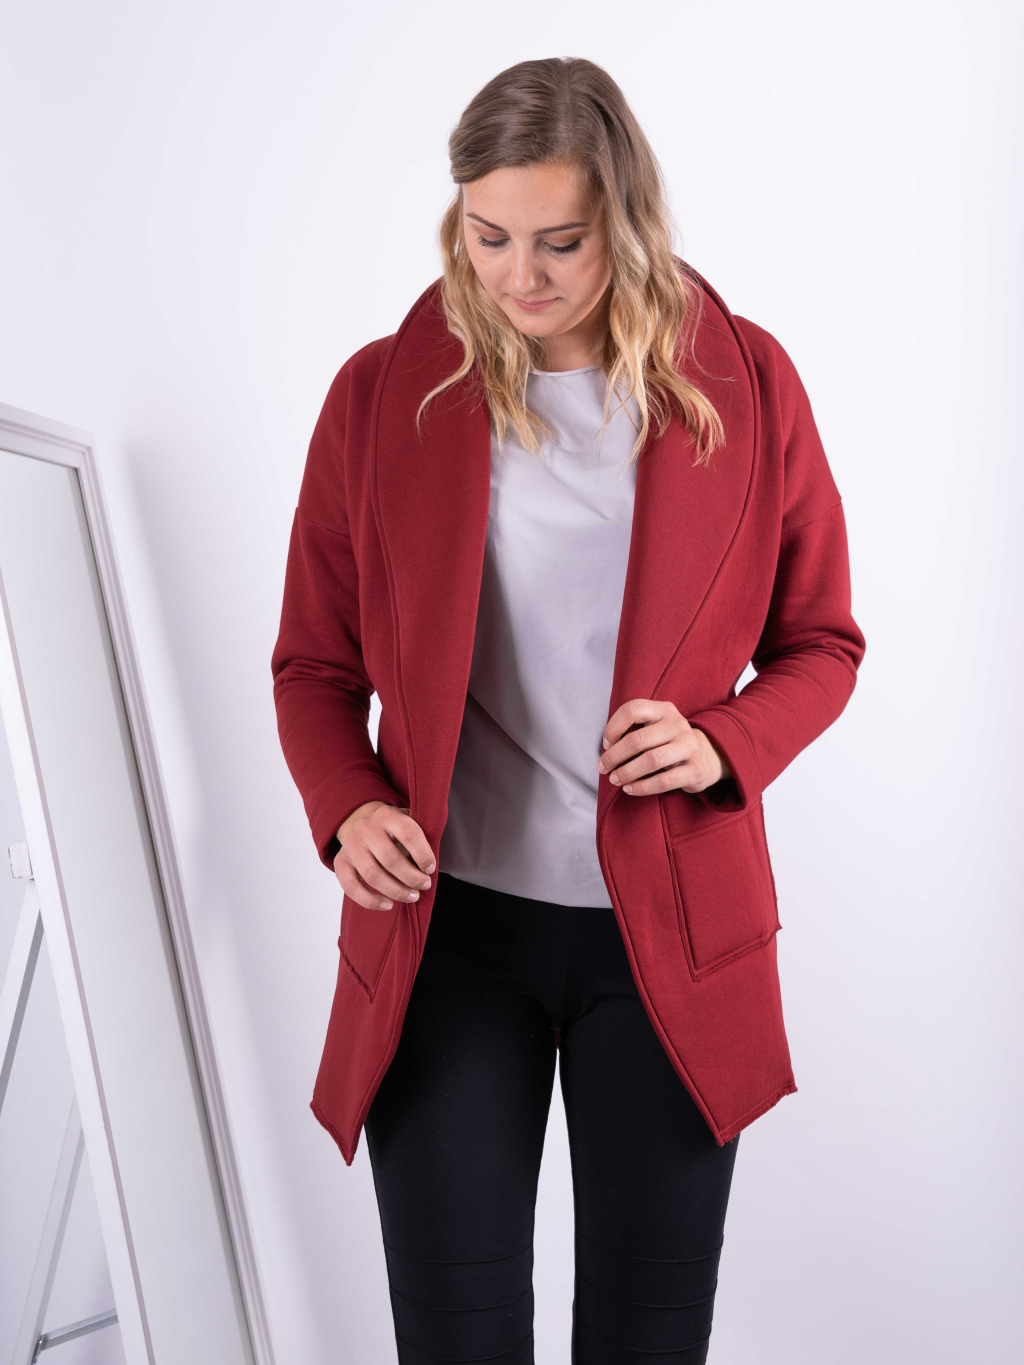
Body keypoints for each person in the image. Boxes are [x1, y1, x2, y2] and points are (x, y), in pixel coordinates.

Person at [271, 56, 865, 1365]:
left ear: (625, 218)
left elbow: (823, 641)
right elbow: (313, 664)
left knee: (646, 1343)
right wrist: (347, 807)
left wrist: (722, 743)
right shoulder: (381, 396)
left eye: (560, 241)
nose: (518, 276)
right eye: (488, 236)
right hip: (446, 935)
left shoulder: (747, 384)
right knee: (457, 1339)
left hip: (669, 938)